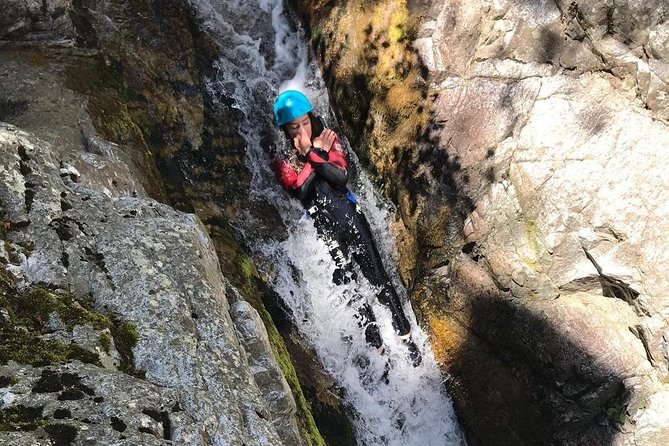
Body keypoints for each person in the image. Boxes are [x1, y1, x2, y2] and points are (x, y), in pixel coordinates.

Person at [271, 89, 421, 367]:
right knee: (350, 287)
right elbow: (299, 190)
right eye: (294, 127)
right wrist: (316, 155)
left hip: (350, 216)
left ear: (312, 118)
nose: (301, 130)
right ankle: (377, 350)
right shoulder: (281, 157)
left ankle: (406, 337)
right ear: (284, 130)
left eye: (305, 122)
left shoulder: (328, 137)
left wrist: (313, 155)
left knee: (377, 276)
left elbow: (339, 177)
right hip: (323, 228)